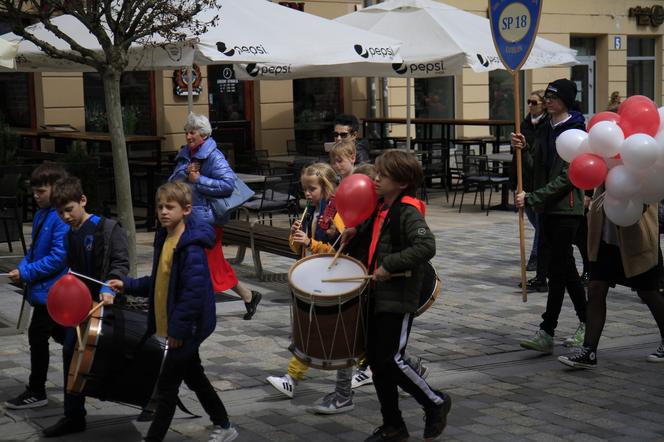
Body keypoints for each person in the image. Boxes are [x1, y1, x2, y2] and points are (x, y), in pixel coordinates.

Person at [108, 182, 238, 442]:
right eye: (160, 207)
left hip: (188, 328)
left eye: (170, 207)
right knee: (194, 376)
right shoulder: (165, 238)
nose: (163, 212)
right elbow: (160, 281)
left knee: (166, 388)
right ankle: (224, 425)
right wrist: (128, 284)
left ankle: (153, 438)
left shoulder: (191, 247)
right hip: (177, 327)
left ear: (186, 209)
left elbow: (192, 294)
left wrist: (178, 331)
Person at [342, 150, 451, 442]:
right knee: (377, 362)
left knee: (391, 360)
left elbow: (426, 246)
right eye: (376, 172)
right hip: (376, 294)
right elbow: (375, 236)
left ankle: (435, 402)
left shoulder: (407, 211)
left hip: (399, 295)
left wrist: (390, 265)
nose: (375, 179)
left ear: (402, 183)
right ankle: (393, 425)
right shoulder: (380, 207)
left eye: (383, 175)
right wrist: (354, 231)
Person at [265, 163, 359, 413]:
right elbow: (298, 249)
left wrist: (312, 242)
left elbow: (341, 252)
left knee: (335, 336)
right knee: (315, 331)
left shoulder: (337, 214)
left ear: (326, 187)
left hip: (331, 280)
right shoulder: (311, 211)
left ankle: (294, 380)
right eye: (304, 188)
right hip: (314, 279)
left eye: (312, 189)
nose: (307, 193)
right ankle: (292, 380)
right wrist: (295, 236)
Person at [44, 176, 130, 438]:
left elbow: (120, 263)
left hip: (106, 306)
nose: (65, 217)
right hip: (82, 310)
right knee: (71, 355)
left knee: (121, 358)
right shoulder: (71, 234)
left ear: (83, 200)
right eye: (60, 213)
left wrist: (108, 288)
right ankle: (73, 416)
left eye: (69, 210)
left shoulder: (108, 228)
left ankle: (151, 399)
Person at [513, 78, 588, 354]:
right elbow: (537, 169)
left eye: (553, 96)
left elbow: (568, 178)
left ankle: (560, 327)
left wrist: (533, 198)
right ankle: (553, 329)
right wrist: (524, 149)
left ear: (566, 100)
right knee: (560, 272)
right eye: (547, 96)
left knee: (563, 270)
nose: (548, 100)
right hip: (547, 209)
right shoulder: (545, 128)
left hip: (567, 210)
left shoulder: (576, 129)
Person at [170, 113, 261, 320]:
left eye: (192, 132)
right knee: (211, 264)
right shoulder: (187, 154)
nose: (188, 136)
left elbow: (228, 184)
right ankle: (248, 296)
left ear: (203, 134)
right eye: (186, 132)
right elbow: (173, 181)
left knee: (208, 263)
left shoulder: (214, 156)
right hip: (190, 217)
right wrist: (185, 171)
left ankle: (198, 308)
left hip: (207, 220)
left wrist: (200, 179)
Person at [558, 192, 664, 368]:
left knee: (648, 292)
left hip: (636, 238)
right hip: (605, 237)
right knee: (595, 289)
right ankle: (589, 350)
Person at [4, 164, 69, 410]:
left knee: (38, 334)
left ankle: (36, 390)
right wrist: (22, 268)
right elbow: (33, 252)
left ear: (56, 189)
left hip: (54, 291)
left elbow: (58, 257)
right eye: (35, 191)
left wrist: (27, 272)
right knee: (63, 335)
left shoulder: (60, 216)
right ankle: (92, 372)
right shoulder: (43, 214)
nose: (36, 195)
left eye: (41, 191)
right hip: (44, 290)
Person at [514, 90, 549, 292]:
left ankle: (537, 259)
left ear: (543, 104)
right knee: (537, 223)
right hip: (524, 181)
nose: (530, 105)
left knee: (542, 224)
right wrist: (514, 183)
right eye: (528, 102)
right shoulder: (525, 123)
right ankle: (543, 254)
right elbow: (516, 158)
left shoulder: (547, 125)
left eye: (533, 102)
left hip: (539, 184)